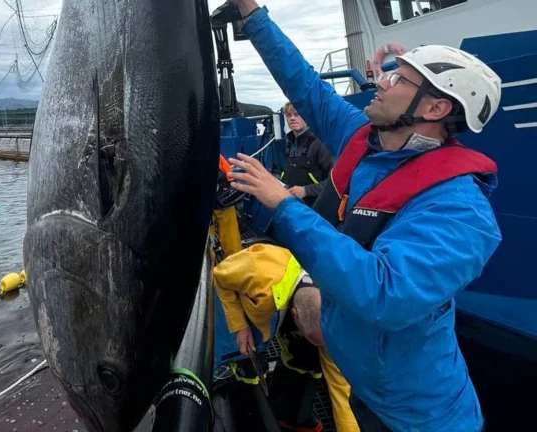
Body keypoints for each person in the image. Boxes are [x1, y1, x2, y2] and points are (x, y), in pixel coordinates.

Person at [225, 2, 502, 431]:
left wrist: (285, 205)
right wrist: (252, 14)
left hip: (422, 419)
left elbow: (386, 294)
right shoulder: (367, 141)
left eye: (398, 78)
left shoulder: (461, 210)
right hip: (367, 390)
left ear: (434, 110)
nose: (381, 80)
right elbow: (306, 86)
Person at [214, 243, 359, 432]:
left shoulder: (334, 320)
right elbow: (219, 275)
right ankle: (245, 415)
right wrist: (239, 325)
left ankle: (291, 414)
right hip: (241, 317)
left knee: (308, 360)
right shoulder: (259, 269)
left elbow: (341, 389)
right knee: (245, 369)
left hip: (273, 322)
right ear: (295, 315)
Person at [280, 102, 334, 206]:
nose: (292, 118)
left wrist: (306, 191)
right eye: (288, 115)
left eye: (297, 114)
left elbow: (336, 180)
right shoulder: (289, 143)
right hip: (295, 205)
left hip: (317, 208)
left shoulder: (320, 143)